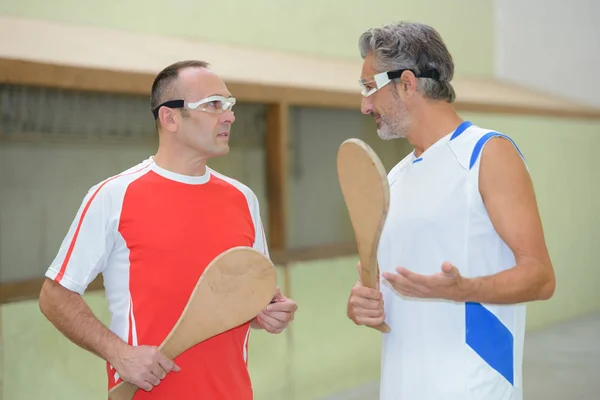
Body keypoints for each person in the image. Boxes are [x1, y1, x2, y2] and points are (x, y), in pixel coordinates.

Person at [38, 60, 297, 399]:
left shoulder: (243, 199)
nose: (229, 116)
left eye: (229, 105)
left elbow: (241, 300)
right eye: (213, 104)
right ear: (170, 117)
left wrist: (265, 314)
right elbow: (54, 295)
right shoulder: (114, 196)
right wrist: (119, 353)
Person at [346, 22, 556, 400]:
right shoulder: (393, 178)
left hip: (474, 387)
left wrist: (465, 290)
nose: (364, 105)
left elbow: (541, 277)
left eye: (368, 88)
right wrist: (365, 304)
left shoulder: (488, 154)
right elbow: (383, 291)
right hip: (400, 387)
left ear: (406, 83)